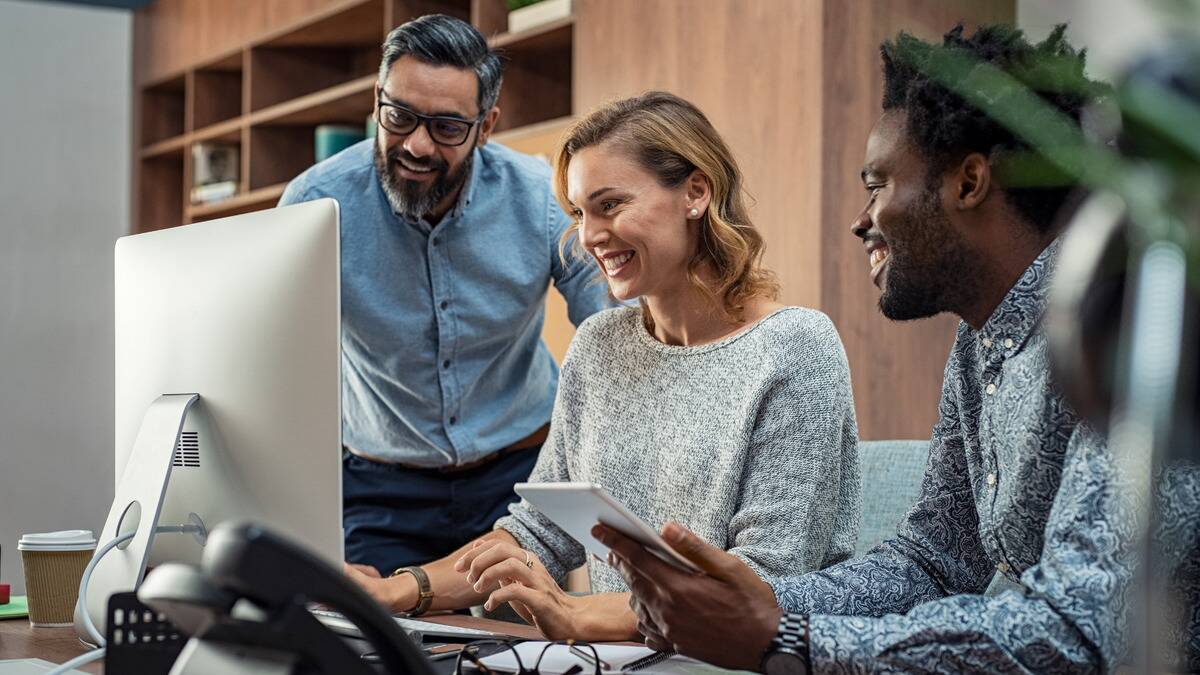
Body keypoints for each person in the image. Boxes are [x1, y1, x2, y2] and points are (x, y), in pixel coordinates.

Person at [596, 23, 1198, 672]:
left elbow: (1075, 631)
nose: (862, 219)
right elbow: (934, 561)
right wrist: (759, 601)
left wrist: (790, 639)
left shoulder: (1128, 321)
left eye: (877, 183)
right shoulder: (978, 345)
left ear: (968, 182)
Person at [345, 91, 861, 641]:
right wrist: (400, 590)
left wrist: (576, 615)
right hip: (620, 654)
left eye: (610, 205)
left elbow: (763, 585)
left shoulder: (796, 347)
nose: (588, 237)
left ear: (695, 192)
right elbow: (538, 532)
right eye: (579, 213)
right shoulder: (598, 345)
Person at [277, 14, 612, 576]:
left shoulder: (538, 199)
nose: (416, 144)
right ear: (376, 98)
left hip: (521, 480)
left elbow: (614, 326)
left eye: (447, 128)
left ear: (486, 126)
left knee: (517, 654)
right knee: (378, 649)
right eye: (400, 116)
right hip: (381, 490)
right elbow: (275, 358)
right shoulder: (315, 206)